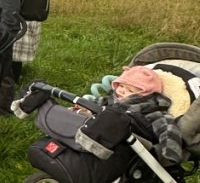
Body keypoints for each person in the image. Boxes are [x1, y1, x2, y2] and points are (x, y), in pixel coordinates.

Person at [13, 66, 181, 165]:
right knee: (47, 97)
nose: (122, 91)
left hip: (117, 142)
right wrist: (83, 108)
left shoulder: (153, 112)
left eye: (130, 90)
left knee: (110, 116)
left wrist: (169, 155)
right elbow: (96, 103)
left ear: (144, 96)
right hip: (92, 129)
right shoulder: (111, 100)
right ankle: (35, 99)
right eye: (120, 86)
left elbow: (169, 128)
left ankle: (51, 113)